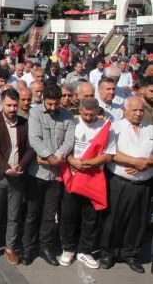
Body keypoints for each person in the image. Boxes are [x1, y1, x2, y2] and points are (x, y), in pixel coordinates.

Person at [59, 97, 115, 269]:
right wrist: (72, 161)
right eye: (85, 114)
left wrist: (88, 163)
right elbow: (63, 147)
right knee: (68, 215)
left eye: (92, 115)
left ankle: (85, 250)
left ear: (98, 111)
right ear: (80, 110)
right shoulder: (73, 123)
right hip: (73, 176)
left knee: (90, 217)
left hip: (93, 178)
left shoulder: (106, 128)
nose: (89, 118)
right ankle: (67, 249)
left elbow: (108, 154)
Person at [23, 83, 75, 266]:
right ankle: (28, 247)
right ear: (44, 99)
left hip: (56, 175)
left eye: (56, 104)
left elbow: (69, 141)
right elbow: (35, 139)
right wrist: (50, 157)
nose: (53, 108)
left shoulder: (68, 116)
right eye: (50, 104)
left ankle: (45, 246)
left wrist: (56, 158)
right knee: (31, 213)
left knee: (49, 213)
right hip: (36, 174)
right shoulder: (35, 113)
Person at [99, 97, 153, 273]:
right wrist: (136, 162)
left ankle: (130, 254)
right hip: (120, 182)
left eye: (141, 110)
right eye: (135, 110)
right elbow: (112, 153)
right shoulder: (115, 127)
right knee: (115, 218)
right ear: (124, 109)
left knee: (138, 220)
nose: (139, 114)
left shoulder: (150, 129)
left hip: (144, 183)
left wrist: (146, 164)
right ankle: (109, 253)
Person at [0, 88, 34, 265]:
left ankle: (10, 247)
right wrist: (6, 169)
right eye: (9, 105)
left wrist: (20, 166)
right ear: (2, 104)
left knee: (13, 216)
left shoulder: (24, 122)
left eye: (15, 105)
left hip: (18, 175)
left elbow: (30, 148)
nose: (13, 109)